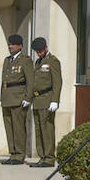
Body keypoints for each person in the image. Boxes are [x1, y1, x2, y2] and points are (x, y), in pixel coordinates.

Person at [0, 34, 34, 165]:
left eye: (13, 44)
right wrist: (1, 97)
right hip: (7, 98)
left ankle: (19, 155)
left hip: (18, 98)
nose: (10, 46)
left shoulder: (25, 60)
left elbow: (30, 80)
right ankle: (12, 153)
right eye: (9, 44)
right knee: (9, 127)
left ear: (20, 46)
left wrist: (28, 98)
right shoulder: (7, 60)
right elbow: (3, 80)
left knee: (18, 127)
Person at [29, 37, 62, 168]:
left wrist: (55, 100)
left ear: (46, 48)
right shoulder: (38, 62)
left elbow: (57, 82)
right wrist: (31, 99)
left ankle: (49, 158)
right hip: (37, 100)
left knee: (47, 129)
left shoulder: (53, 61)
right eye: (37, 51)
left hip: (47, 99)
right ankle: (42, 156)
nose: (39, 53)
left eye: (41, 51)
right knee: (38, 130)